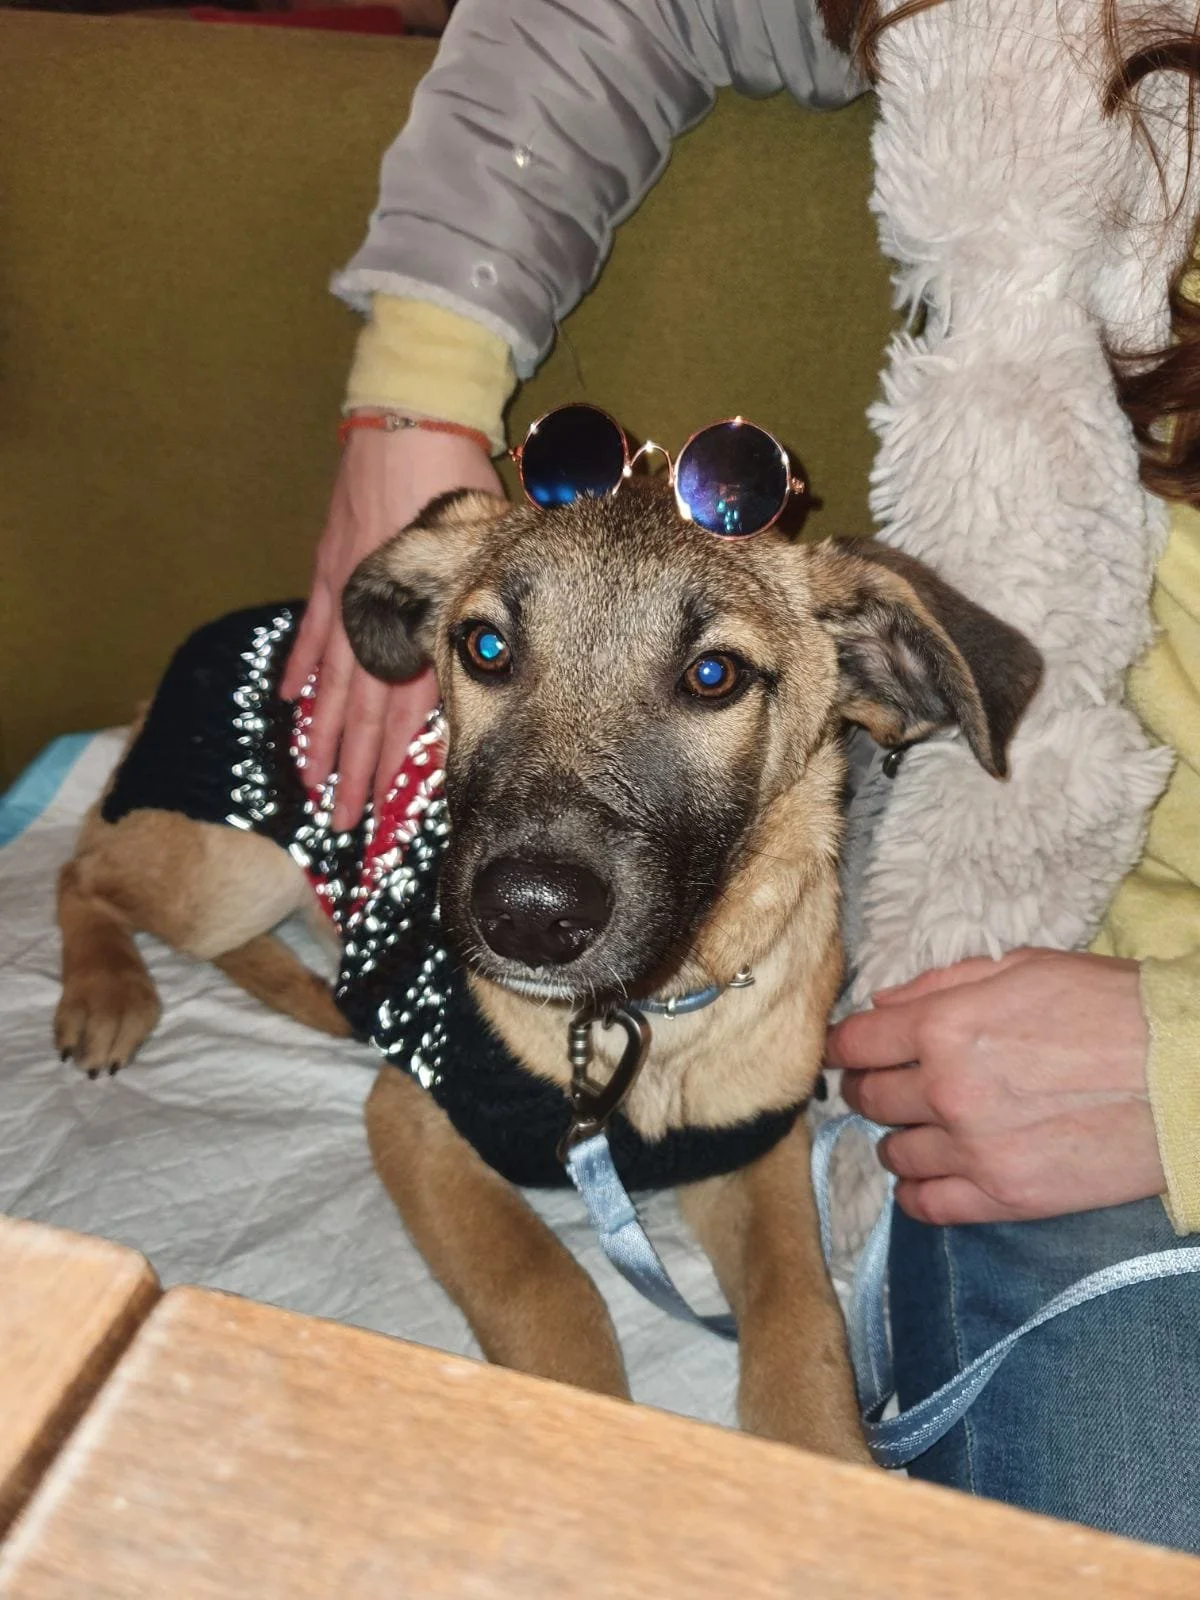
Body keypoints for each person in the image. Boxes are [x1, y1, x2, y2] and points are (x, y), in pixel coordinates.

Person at [283, 0, 1200, 1552]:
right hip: (1057, 1039)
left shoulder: (841, 676)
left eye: (712, 679)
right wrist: (414, 395)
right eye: (492, 650)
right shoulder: (1072, 31)